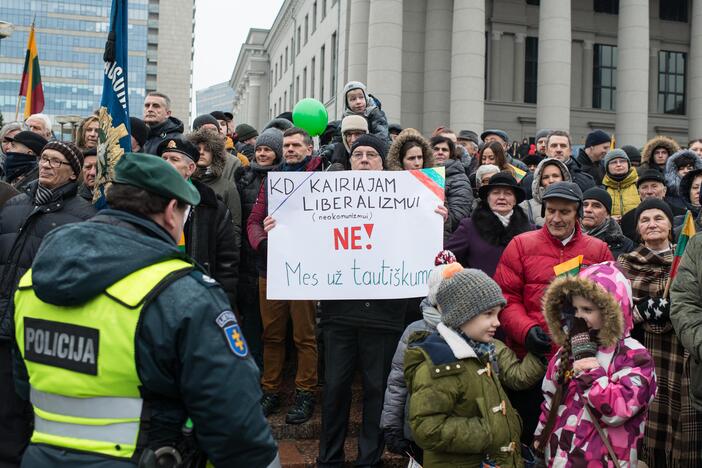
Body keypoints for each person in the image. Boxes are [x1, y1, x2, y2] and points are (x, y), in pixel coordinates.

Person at [11, 152, 279, 467]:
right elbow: (236, 422)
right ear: (170, 211)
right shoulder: (182, 294)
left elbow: (22, 382)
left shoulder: (33, 282)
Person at [315, 134, 449, 467]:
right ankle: (329, 459)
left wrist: (436, 221)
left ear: (382, 162)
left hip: (384, 315)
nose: (363, 159)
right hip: (338, 313)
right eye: (357, 154)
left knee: (377, 390)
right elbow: (311, 242)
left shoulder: (408, 198)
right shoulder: (326, 201)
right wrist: (283, 227)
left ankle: (368, 459)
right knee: (334, 389)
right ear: (348, 162)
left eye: (371, 154)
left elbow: (426, 251)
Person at [494, 181, 613, 443]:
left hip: (580, 360)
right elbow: (506, 297)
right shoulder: (521, 245)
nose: (556, 218)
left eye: (564, 212)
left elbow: (609, 302)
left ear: (577, 213)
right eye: (550, 211)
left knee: (571, 436)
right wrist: (525, 330)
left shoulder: (598, 250)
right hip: (531, 358)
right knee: (527, 434)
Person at [0, 140, 95, 466]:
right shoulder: (14, 206)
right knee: (6, 411)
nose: (46, 165)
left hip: (44, 325)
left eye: (56, 161)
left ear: (73, 173)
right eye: (44, 159)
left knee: (39, 407)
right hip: (4, 321)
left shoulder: (84, 216)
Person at [404, 267, 545, 467]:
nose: (497, 322)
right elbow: (427, 427)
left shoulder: (481, 353)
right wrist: (487, 432)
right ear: (461, 314)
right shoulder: (440, 365)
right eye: (488, 314)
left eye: (498, 314)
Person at [534, 262, 656, 466]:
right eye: (575, 309)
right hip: (559, 458)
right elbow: (549, 399)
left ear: (611, 311)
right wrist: (540, 438)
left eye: (587, 309)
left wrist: (588, 368)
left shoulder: (635, 357)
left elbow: (617, 411)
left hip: (603, 459)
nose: (579, 316)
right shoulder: (568, 350)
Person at [618, 199, 702, 467]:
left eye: (659, 218)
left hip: (683, 358)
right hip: (644, 358)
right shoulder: (625, 264)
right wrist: (641, 312)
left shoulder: (684, 258)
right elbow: (613, 316)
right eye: (645, 220)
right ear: (638, 230)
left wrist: (675, 308)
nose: (652, 224)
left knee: (681, 422)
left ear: (670, 226)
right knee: (649, 422)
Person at [247, 127, 321, 424]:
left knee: (305, 336)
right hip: (272, 268)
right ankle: (271, 390)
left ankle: (305, 393)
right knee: (272, 335)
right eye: (286, 145)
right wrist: (263, 243)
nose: (289, 149)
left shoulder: (322, 179)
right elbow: (254, 220)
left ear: (308, 148)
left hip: (305, 270)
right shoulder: (272, 180)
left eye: (295, 145)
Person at [381, 255, 457, 462]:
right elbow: (398, 381)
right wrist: (392, 425)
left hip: (460, 431)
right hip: (419, 428)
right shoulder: (414, 332)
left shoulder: (472, 330)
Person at [157, 138, 240, 311]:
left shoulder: (212, 208)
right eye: (163, 159)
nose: (166, 164)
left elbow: (227, 263)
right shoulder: (147, 203)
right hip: (158, 293)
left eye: (174, 159)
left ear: (190, 169)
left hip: (199, 297)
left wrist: (221, 304)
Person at [235, 128, 284, 367]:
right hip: (250, 257)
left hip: (275, 262)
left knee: (275, 326)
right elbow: (246, 218)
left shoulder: (287, 178)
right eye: (260, 150)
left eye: (268, 150)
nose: (263, 154)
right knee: (253, 320)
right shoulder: (245, 177)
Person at [446, 172, 531, 277]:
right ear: (488, 198)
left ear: (515, 200)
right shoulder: (469, 227)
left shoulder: (530, 230)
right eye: (496, 193)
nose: (501, 197)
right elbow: (447, 258)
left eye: (508, 193)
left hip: (518, 292)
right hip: (480, 291)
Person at [188, 127, 243, 234]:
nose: (202, 153)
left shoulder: (228, 187)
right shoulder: (185, 182)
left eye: (207, 149)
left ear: (215, 154)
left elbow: (235, 227)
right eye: (198, 149)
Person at [620, 169, 684, 240]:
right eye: (644, 187)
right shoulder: (628, 219)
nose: (649, 191)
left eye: (654, 186)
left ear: (664, 191)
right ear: (638, 192)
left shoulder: (681, 215)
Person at [430, 135, 473, 237]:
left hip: (444, 237)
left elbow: (458, 218)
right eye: (436, 149)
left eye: (444, 150)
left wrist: (444, 216)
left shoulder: (460, 179)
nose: (440, 152)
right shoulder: (421, 175)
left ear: (451, 154)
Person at [581, 187, 634, 259]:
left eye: (596, 206)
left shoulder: (624, 245)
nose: (588, 210)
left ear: (608, 215)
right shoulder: (566, 237)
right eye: (585, 205)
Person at [519, 158, 571, 227]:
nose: (551, 180)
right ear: (539, 181)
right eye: (545, 177)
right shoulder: (526, 207)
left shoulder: (573, 205)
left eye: (555, 176)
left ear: (563, 178)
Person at [601, 148, 639, 219]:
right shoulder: (602, 189)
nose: (618, 164)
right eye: (614, 162)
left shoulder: (639, 185)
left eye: (622, 161)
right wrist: (609, 220)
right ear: (607, 167)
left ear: (628, 164)